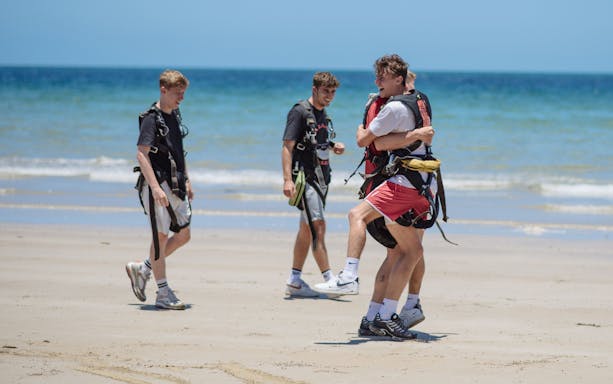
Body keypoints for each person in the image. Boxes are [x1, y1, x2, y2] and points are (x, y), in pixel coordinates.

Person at [314, 55, 436, 339]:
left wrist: (364, 132)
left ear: (399, 80)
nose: (377, 83)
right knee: (408, 252)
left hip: (404, 182)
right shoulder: (421, 100)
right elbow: (394, 140)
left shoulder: (393, 108)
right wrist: (413, 134)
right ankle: (380, 316)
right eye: (377, 77)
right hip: (423, 184)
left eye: (382, 78)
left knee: (357, 215)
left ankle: (349, 277)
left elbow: (367, 141)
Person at [126, 69, 193, 310]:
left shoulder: (174, 115)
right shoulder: (150, 118)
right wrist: (155, 188)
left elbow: (178, 153)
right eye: (177, 93)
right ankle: (163, 293)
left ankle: (143, 268)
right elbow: (141, 154)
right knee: (161, 236)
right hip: (157, 186)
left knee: (184, 235)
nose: (181, 98)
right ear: (163, 90)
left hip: (175, 184)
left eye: (183, 93)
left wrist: (187, 180)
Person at [281, 72, 345, 297]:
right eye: (326, 91)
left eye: (333, 92)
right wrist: (287, 180)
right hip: (305, 179)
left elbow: (316, 142)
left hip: (322, 179)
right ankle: (330, 278)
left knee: (306, 229)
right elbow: (287, 146)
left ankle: (294, 281)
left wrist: (332, 145)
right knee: (319, 226)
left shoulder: (322, 114)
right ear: (314, 89)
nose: (330, 96)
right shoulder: (299, 111)